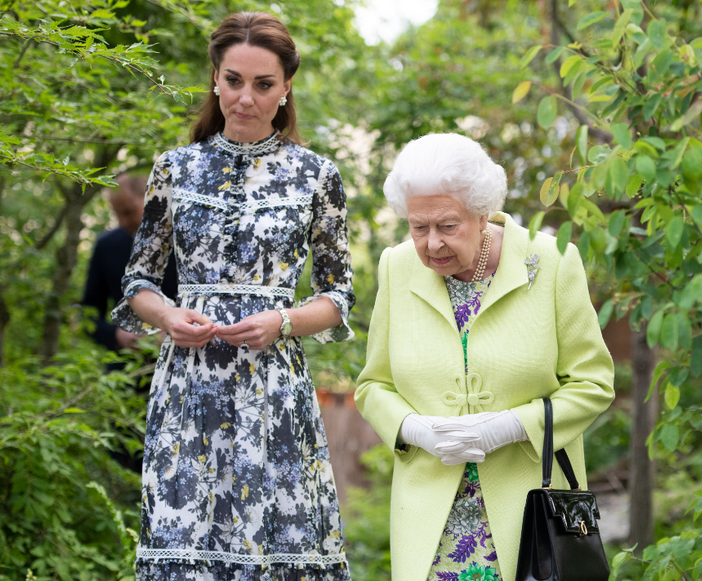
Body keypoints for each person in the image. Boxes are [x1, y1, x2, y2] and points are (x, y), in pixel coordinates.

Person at [110, 12, 355, 581]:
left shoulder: (317, 176)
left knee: (273, 553)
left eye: (263, 84)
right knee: (185, 551)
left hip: (273, 393)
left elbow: (338, 295)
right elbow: (137, 283)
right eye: (233, 80)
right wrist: (168, 314)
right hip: (189, 391)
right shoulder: (175, 168)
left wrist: (284, 321)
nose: (246, 97)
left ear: (286, 87)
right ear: (215, 80)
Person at [355, 133, 615, 581]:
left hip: (530, 519)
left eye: (447, 226)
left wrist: (509, 427)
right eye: (419, 227)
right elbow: (373, 386)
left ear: (481, 213)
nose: (431, 244)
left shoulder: (552, 262)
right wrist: (415, 429)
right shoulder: (397, 267)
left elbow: (594, 384)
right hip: (430, 524)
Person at [81, 173, 177, 353]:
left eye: (128, 211)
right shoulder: (107, 246)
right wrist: (116, 335)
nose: (122, 222)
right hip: (126, 367)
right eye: (117, 214)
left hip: (184, 361)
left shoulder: (187, 243)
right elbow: (88, 314)